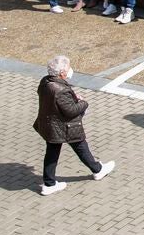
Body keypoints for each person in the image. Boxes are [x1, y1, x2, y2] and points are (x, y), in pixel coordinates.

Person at [33, 54, 115, 195]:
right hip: (65, 126)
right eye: (69, 67)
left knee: (52, 153)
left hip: (51, 126)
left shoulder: (46, 82)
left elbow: (56, 101)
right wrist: (83, 103)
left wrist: (71, 97)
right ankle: (98, 170)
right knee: (81, 146)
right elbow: (70, 111)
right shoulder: (61, 89)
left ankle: (49, 183)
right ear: (62, 73)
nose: (70, 70)